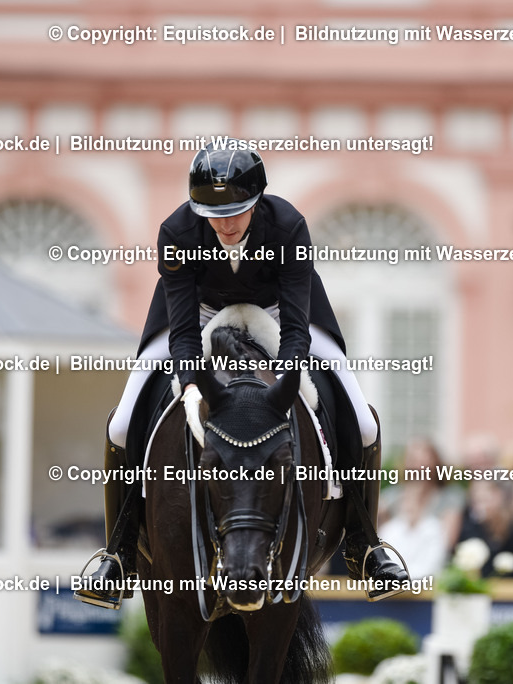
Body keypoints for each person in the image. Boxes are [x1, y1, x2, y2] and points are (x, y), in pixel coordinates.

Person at [76, 143, 408, 607]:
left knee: (364, 419)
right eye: (213, 214)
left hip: (278, 309)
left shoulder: (289, 226)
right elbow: (184, 325)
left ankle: (365, 545)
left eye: (236, 212)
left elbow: (295, 325)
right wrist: (190, 380)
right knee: (122, 421)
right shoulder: (177, 231)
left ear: (258, 201)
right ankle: (120, 553)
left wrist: (290, 375)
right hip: (198, 311)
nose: (225, 224)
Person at [378, 438, 462, 579]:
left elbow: (448, 542)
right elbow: (381, 537)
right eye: (414, 461)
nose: (419, 468)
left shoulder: (450, 498)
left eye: (424, 462)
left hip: (433, 573)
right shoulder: (391, 497)